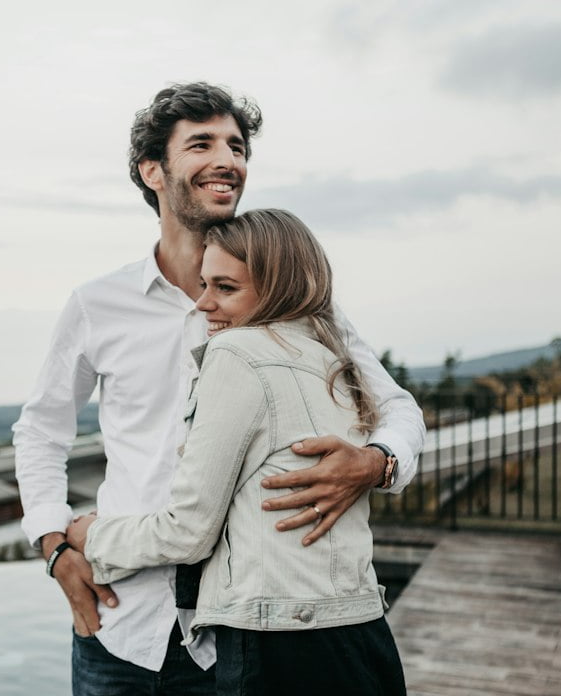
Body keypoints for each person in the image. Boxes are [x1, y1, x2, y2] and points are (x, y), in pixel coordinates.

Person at [13, 82, 424, 695]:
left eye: (236, 146)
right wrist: (54, 546)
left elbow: (395, 405)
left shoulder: (296, 304)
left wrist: (376, 462)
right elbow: (41, 431)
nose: (228, 159)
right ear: (152, 170)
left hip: (236, 638)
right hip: (118, 622)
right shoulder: (96, 304)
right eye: (201, 143)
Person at [66, 208, 408, 694]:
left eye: (225, 288)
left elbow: (188, 531)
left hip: (280, 646)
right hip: (362, 631)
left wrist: (91, 536)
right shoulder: (333, 358)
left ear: (279, 288)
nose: (204, 305)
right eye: (205, 285)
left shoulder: (236, 354)